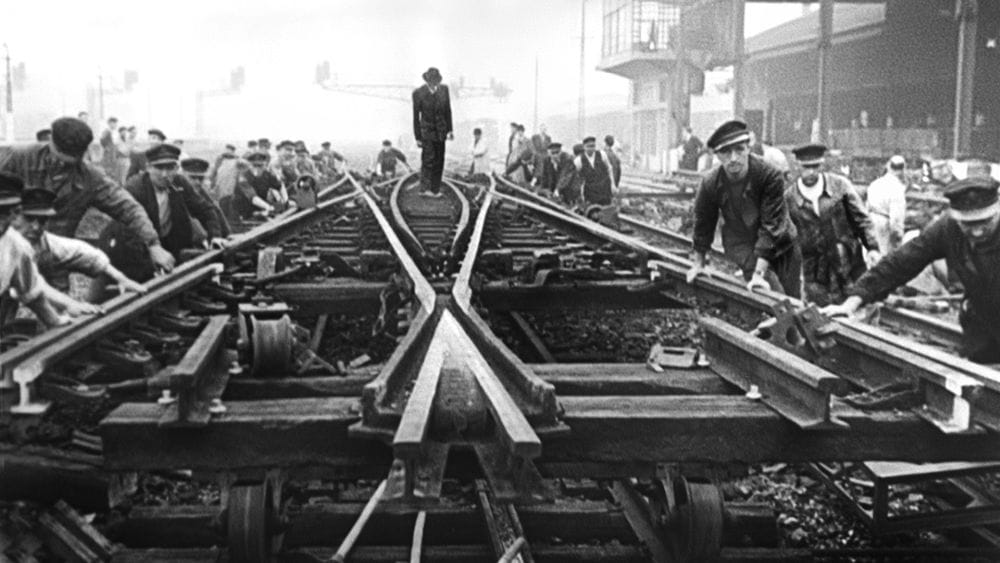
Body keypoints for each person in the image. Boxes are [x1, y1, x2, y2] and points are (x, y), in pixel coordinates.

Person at [823, 178, 1000, 363]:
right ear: (956, 217)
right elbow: (900, 263)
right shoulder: (949, 228)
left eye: (985, 222)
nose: (977, 232)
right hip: (982, 323)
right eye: (968, 224)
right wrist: (851, 302)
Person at [0, 117, 174, 279]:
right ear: (51, 142)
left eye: (68, 164)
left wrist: (153, 244)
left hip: (54, 256)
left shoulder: (91, 178)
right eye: (57, 159)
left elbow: (128, 207)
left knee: (60, 307)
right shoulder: (18, 158)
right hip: (6, 249)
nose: (61, 166)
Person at [688, 119, 801, 296]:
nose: (733, 158)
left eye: (739, 150)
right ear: (717, 155)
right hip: (742, 242)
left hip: (782, 243)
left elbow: (771, 227)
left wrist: (759, 274)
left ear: (748, 148)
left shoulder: (769, 175)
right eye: (726, 152)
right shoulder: (710, 183)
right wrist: (698, 264)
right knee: (774, 297)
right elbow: (703, 223)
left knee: (793, 299)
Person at [785, 144, 879, 306]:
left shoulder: (840, 186)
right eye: (806, 167)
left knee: (859, 305)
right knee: (820, 313)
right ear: (797, 166)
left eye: (816, 166)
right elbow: (784, 234)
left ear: (822, 165)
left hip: (848, 261)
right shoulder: (790, 198)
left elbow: (861, 218)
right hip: (815, 270)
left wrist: (872, 247)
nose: (811, 172)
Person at [0, 173, 96, 327]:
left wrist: (55, 321)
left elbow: (32, 292)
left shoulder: (16, 246)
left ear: (14, 213)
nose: (1, 222)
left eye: (5, 214)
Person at [13, 189, 146, 296]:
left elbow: (83, 252)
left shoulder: (43, 242)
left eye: (42, 220)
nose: (36, 227)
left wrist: (121, 278)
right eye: (29, 218)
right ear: (13, 216)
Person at [121, 144, 224, 279]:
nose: (164, 174)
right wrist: (151, 257)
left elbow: (205, 209)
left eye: (169, 168)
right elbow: (126, 230)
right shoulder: (135, 188)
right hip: (134, 251)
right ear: (148, 168)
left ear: (176, 168)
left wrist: (215, 236)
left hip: (170, 248)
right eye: (159, 167)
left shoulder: (179, 183)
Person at [412, 66, 453, 197]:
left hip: (441, 132)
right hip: (426, 132)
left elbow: (448, 111)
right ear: (427, 80)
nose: (434, 83)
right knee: (428, 159)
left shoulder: (444, 90)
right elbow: (416, 117)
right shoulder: (418, 93)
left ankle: (435, 190)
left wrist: (450, 130)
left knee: (439, 160)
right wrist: (418, 137)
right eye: (431, 81)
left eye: (436, 81)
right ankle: (424, 189)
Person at [866, 155, 907, 256]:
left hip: (870, 222)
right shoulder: (897, 188)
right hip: (884, 226)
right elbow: (896, 220)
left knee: (871, 256)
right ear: (903, 170)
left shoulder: (875, 184)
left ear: (888, 166)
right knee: (883, 259)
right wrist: (898, 238)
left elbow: (866, 207)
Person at [182, 157, 231, 238]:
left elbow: (217, 214)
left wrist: (227, 235)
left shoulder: (204, 194)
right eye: (193, 178)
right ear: (183, 175)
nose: (197, 182)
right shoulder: (177, 193)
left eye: (200, 178)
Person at [235, 151, 285, 218]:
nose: (257, 168)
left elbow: (280, 186)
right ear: (249, 165)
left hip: (261, 206)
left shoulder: (266, 174)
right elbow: (253, 198)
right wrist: (268, 207)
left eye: (260, 166)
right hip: (243, 209)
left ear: (264, 165)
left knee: (281, 207)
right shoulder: (243, 177)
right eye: (254, 165)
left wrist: (285, 200)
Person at [573, 136, 617, 206]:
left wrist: (613, 185)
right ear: (584, 147)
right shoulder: (579, 161)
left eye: (593, 146)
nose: (591, 148)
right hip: (590, 193)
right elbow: (575, 178)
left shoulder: (602, 155)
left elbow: (609, 168)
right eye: (588, 146)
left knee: (606, 209)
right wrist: (579, 193)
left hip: (605, 189)